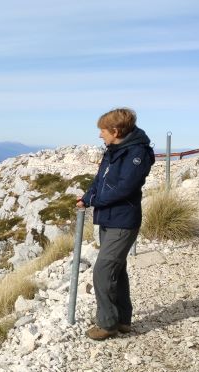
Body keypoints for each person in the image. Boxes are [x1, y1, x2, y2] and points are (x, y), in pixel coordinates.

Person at [76, 108, 155, 340]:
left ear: (116, 131)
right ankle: (122, 320)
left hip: (124, 221)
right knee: (117, 271)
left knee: (103, 270)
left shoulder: (136, 154)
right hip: (109, 218)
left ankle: (107, 323)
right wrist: (86, 197)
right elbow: (99, 179)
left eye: (103, 130)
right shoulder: (115, 150)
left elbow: (124, 188)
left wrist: (94, 200)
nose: (100, 135)